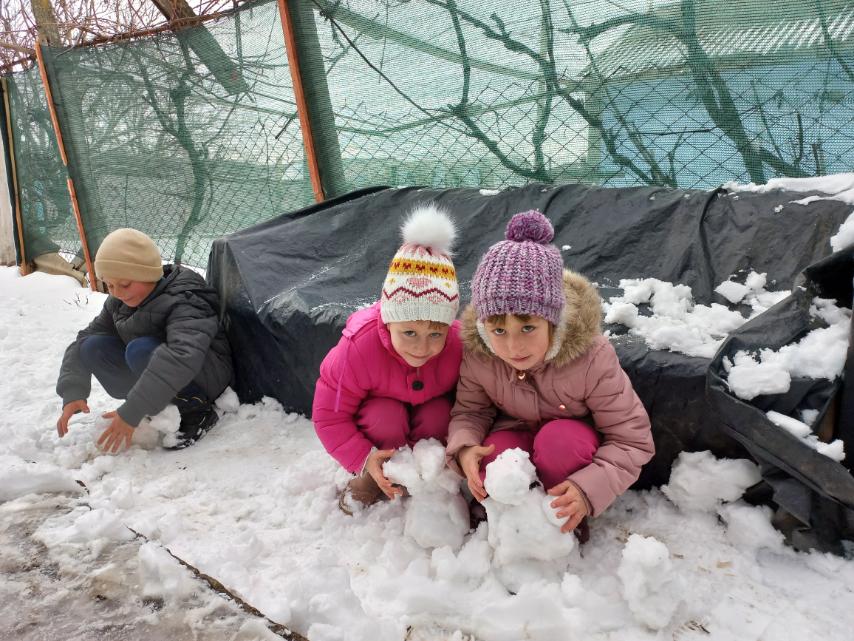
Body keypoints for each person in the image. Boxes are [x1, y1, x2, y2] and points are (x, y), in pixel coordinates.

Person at [445, 210, 654, 540]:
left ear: (552, 321)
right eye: (499, 330)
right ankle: (505, 523)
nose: (514, 346)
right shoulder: (480, 353)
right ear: (485, 328)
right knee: (494, 456)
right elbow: (471, 411)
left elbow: (631, 439)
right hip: (512, 432)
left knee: (560, 444)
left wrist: (587, 490)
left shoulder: (591, 357)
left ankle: (562, 523)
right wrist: (465, 449)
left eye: (528, 327)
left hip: (569, 447)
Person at [313, 205, 463, 513]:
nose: (422, 348)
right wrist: (363, 458)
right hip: (378, 428)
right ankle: (374, 476)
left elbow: (475, 402)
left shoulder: (459, 344)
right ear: (388, 319)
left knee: (439, 413)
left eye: (436, 334)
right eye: (409, 333)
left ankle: (427, 474)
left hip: (429, 423)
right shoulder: (359, 347)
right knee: (385, 415)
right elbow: (330, 414)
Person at [55, 228, 233, 452]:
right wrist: (73, 391)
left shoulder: (185, 298)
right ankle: (154, 405)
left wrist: (131, 412)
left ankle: (197, 412)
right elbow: (84, 339)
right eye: (109, 285)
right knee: (93, 346)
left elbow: (183, 355)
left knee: (139, 350)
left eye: (125, 284)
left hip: (204, 375)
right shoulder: (119, 302)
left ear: (146, 273)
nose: (117, 292)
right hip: (161, 375)